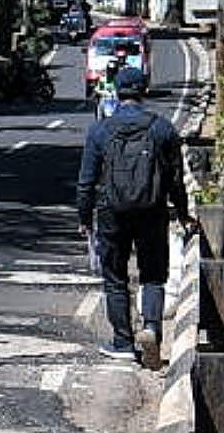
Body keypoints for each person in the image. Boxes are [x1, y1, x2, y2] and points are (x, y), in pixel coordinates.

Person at [77, 65, 195, 366]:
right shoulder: (162, 129)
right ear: (143, 92)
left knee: (115, 278)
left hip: (111, 212)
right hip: (152, 211)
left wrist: (84, 218)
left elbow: (86, 181)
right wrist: (182, 214)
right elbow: (175, 180)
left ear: (116, 91)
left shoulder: (101, 130)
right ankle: (152, 328)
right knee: (153, 274)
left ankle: (123, 342)